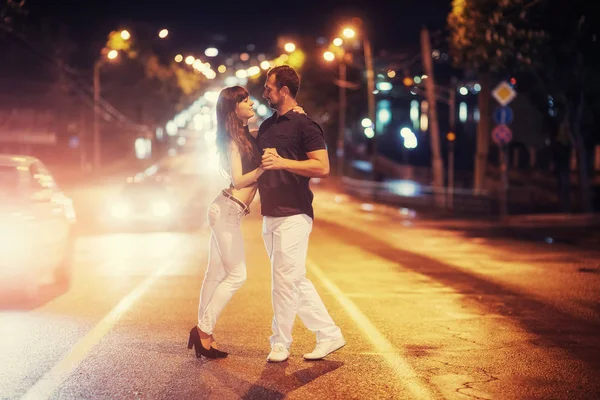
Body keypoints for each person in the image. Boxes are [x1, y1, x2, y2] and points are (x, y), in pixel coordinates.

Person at [188, 85, 304, 359]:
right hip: (226, 210)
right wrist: (266, 167)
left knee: (214, 275)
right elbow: (239, 180)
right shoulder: (231, 140)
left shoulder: (244, 135)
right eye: (245, 100)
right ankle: (202, 330)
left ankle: (206, 336)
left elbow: (269, 132)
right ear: (233, 108)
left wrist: (294, 113)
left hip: (228, 210)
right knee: (237, 275)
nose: (252, 103)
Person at [257, 65, 345, 362]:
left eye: (268, 88)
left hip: (295, 213)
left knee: (283, 281)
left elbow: (322, 167)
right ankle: (329, 334)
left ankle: (280, 342)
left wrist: (283, 163)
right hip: (270, 214)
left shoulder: (306, 125)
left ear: (284, 91)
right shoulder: (268, 126)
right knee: (293, 279)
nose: (264, 92)